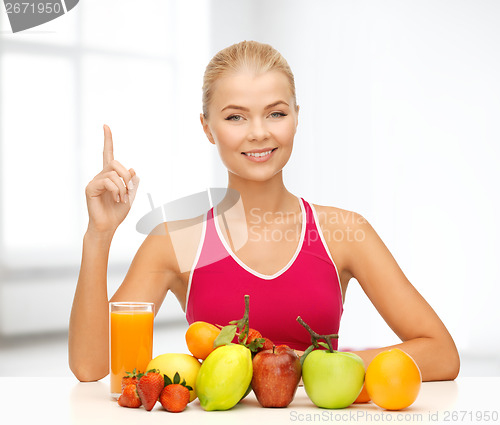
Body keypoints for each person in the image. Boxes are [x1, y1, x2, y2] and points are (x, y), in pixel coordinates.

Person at [69, 40, 460, 383]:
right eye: (235, 116)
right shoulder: (174, 241)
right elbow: (91, 367)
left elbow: (440, 353)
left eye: (275, 113)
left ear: (296, 116)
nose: (258, 132)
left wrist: (314, 365)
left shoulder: (343, 231)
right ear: (207, 127)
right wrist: (99, 235)